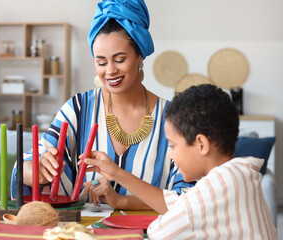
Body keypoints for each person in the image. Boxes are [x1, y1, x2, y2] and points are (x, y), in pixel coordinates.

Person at [11, 0, 194, 210]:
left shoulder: (172, 118)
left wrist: (122, 200)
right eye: (101, 62)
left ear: (139, 56)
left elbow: (188, 199)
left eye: (119, 59)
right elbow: (27, 164)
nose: (110, 71)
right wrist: (36, 170)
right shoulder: (78, 108)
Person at [84, 84, 277, 239]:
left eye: (173, 145)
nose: (170, 154)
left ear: (201, 144)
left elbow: (158, 233)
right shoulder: (237, 175)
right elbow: (176, 204)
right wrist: (117, 173)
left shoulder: (214, 188)